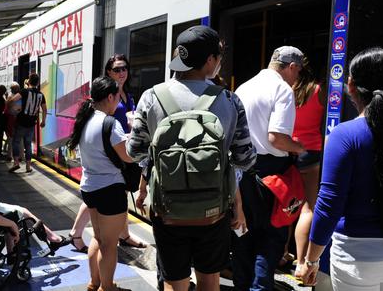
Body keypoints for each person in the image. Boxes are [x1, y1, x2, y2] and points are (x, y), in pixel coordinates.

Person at [127, 26, 256, 291]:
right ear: (210, 60)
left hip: (168, 211)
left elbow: (135, 152)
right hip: (214, 213)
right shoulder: (230, 100)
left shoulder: (151, 97)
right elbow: (245, 159)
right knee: (210, 281)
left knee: (175, 283)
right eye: (218, 57)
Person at [296, 47, 383, 289]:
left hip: (355, 259)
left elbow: (329, 204)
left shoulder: (343, 135)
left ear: (350, 84)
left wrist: (311, 259)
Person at [232, 46, 306, 290]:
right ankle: (261, 287)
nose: (297, 78)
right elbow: (276, 138)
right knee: (272, 234)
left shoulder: (244, 87)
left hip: (242, 170)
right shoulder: (282, 89)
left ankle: (243, 285)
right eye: (298, 71)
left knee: (244, 232)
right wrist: (298, 147)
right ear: (291, 67)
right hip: (271, 172)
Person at [69, 55, 148, 254]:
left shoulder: (127, 95)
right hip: (111, 149)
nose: (122, 73)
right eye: (117, 69)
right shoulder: (107, 96)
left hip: (119, 144)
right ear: (109, 72)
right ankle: (77, 233)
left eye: (125, 69)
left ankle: (123, 235)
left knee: (109, 195)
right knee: (102, 196)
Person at [68, 76, 134, 291]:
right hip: (110, 189)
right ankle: (107, 287)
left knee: (98, 237)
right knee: (109, 244)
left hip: (89, 187)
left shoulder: (84, 119)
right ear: (110, 97)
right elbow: (127, 156)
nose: (118, 102)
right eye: (117, 97)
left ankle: (94, 282)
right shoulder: (109, 123)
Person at [290, 56, 326, 273]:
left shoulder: (289, 91)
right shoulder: (320, 91)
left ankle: (282, 253)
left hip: (288, 150)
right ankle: (302, 261)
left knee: (286, 204)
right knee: (307, 209)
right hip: (310, 151)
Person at [8, 73, 46, 173]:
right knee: (28, 144)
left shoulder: (24, 91)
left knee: (16, 142)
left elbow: (12, 99)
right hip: (31, 123)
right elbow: (44, 109)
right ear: (37, 83)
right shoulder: (41, 95)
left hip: (21, 122)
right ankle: (28, 167)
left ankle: (16, 163)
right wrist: (43, 121)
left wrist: (13, 109)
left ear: (29, 81)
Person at [4, 82, 22, 158]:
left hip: (11, 119)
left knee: (10, 138)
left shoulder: (10, 97)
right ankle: (21, 156)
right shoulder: (21, 96)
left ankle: (9, 155)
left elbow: (7, 108)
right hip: (19, 119)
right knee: (20, 138)